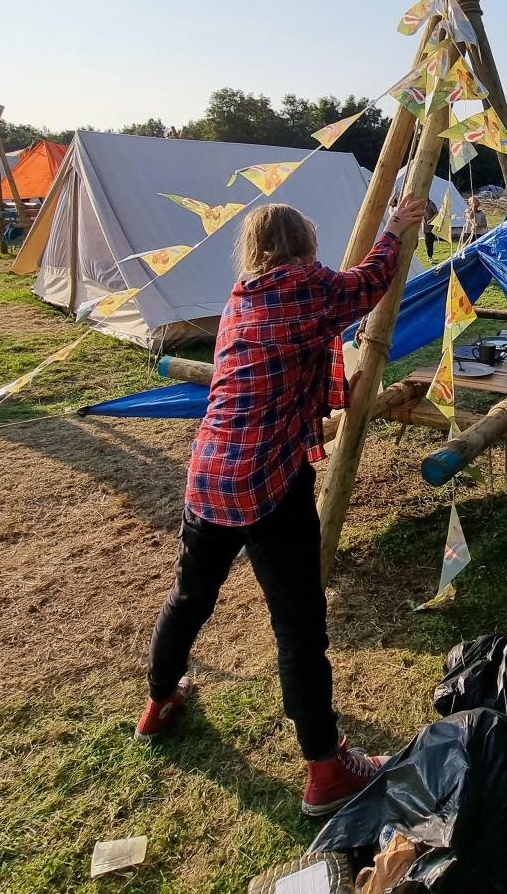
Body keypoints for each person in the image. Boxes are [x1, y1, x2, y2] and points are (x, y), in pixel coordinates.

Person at [135, 193, 429, 819]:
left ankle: (159, 702)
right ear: (305, 246)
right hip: (270, 477)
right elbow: (367, 285)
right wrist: (395, 227)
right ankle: (325, 769)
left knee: (189, 596)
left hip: (208, 471)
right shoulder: (306, 287)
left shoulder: (242, 296)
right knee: (298, 625)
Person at [423, 196, 439, 262]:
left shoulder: (431, 204)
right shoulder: (423, 205)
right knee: (427, 242)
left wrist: (432, 220)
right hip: (425, 226)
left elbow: (437, 213)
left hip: (431, 227)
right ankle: (429, 256)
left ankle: (430, 256)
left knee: (430, 241)